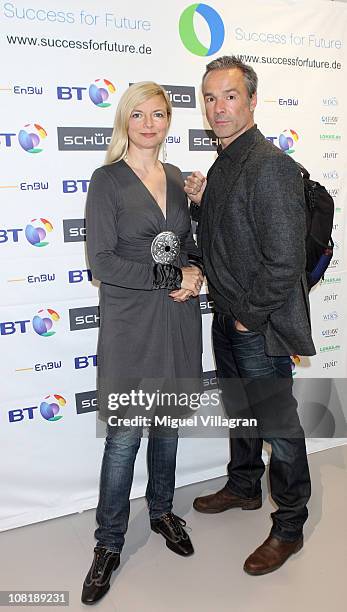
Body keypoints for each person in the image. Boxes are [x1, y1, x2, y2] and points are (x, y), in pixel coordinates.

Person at [185, 56, 316, 576]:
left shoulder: (269, 165)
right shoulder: (226, 160)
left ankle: (289, 526)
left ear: (253, 100)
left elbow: (285, 258)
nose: (219, 107)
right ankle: (243, 487)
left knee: (279, 426)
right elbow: (229, 235)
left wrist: (249, 319)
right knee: (241, 411)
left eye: (231, 96)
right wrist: (201, 204)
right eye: (211, 98)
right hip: (229, 315)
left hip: (255, 325)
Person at [81, 81, 203, 605]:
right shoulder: (106, 180)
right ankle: (108, 543)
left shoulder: (177, 179)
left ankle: (161, 512)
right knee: (126, 436)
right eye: (139, 114)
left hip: (178, 319)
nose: (149, 123)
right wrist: (167, 279)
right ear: (125, 121)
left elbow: (190, 244)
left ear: (168, 121)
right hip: (132, 319)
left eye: (158, 114)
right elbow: (101, 263)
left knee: (168, 427)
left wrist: (194, 270)